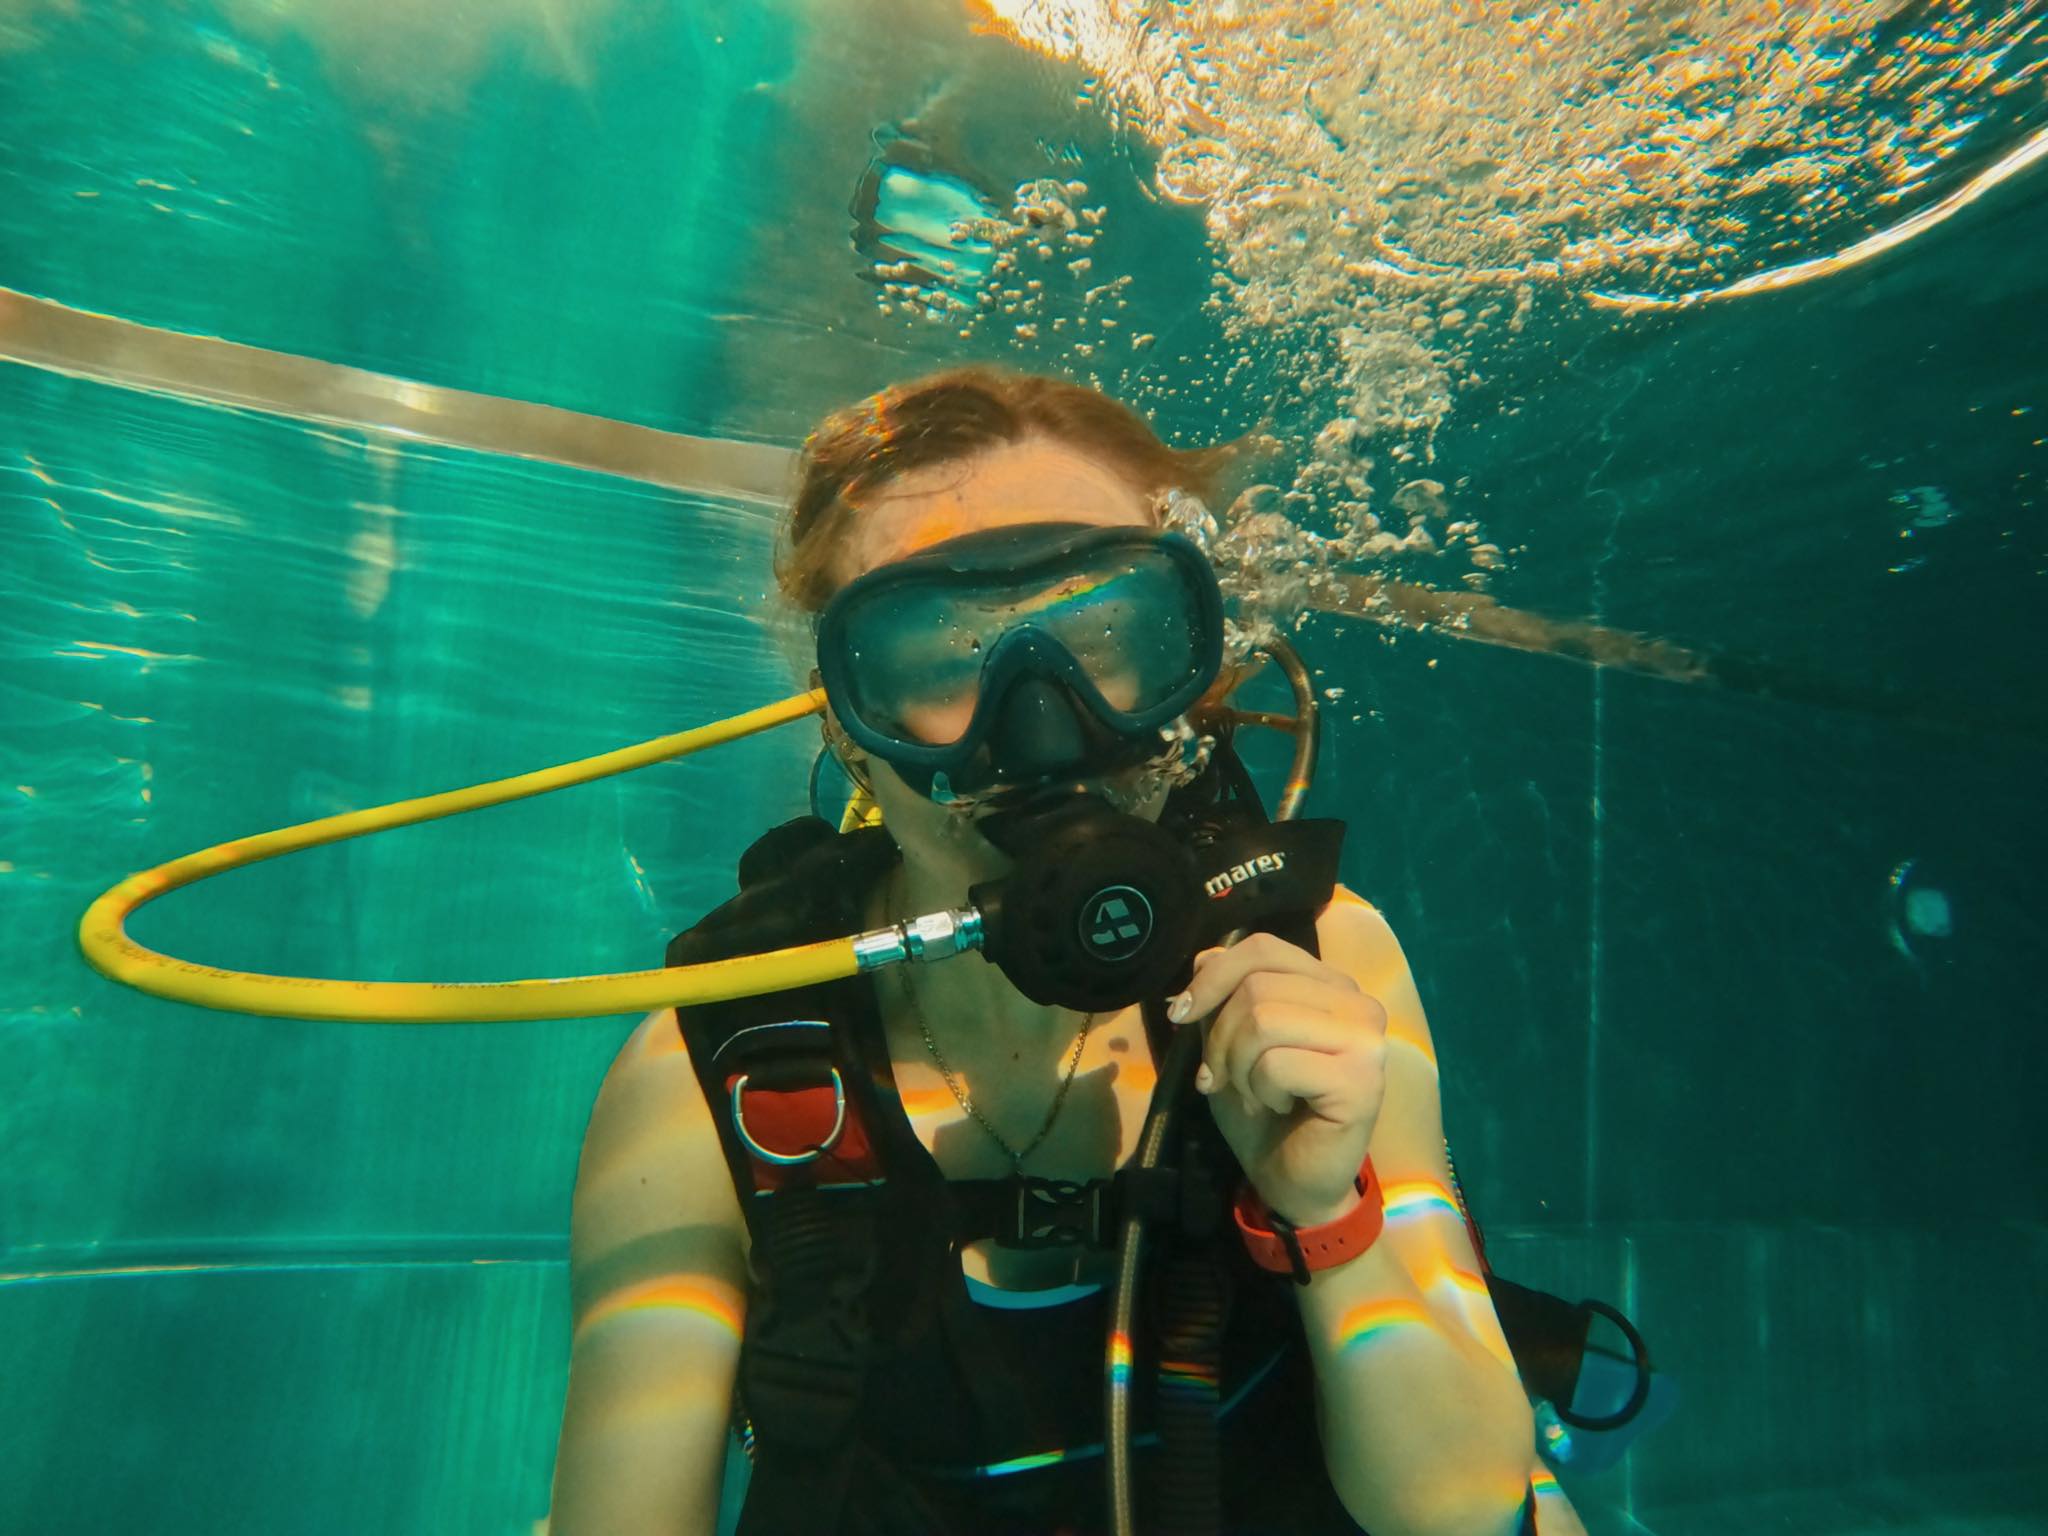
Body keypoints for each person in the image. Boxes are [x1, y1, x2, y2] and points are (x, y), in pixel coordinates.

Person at [546, 367, 1568, 1536]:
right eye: (938, 657)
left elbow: (1461, 1515)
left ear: (1189, 664)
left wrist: (1323, 1214)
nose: (1038, 730)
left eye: (1103, 633)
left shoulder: (1313, 953)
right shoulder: (712, 1074)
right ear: (846, 723)